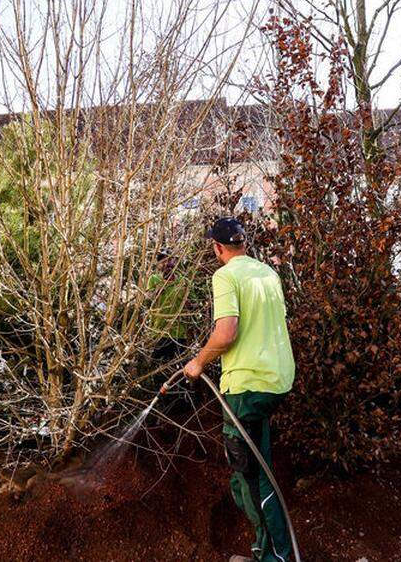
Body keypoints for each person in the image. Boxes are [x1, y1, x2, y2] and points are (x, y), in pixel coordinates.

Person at [182, 217, 296, 562]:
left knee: (249, 476)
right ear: (243, 243)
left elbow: (226, 333)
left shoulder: (226, 276)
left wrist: (198, 363)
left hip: (246, 385)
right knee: (253, 468)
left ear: (217, 248)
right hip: (277, 380)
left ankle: (273, 557)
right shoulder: (267, 273)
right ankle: (266, 549)